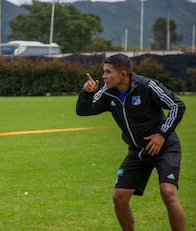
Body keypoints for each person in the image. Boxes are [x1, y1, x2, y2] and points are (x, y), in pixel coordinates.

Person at [76, 54, 186, 231]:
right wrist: (87, 93)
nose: (103, 76)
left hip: (165, 148)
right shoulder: (107, 92)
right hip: (138, 152)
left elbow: (177, 106)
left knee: (168, 192)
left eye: (107, 72)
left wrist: (162, 134)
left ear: (123, 74)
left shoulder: (147, 86)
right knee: (119, 197)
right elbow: (83, 111)